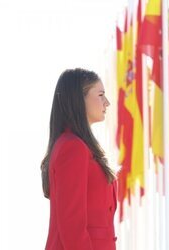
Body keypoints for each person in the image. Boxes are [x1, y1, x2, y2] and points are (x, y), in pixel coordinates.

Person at [41, 68, 117, 250]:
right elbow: (72, 226)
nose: (107, 103)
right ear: (78, 99)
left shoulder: (81, 146)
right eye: (100, 95)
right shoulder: (72, 148)